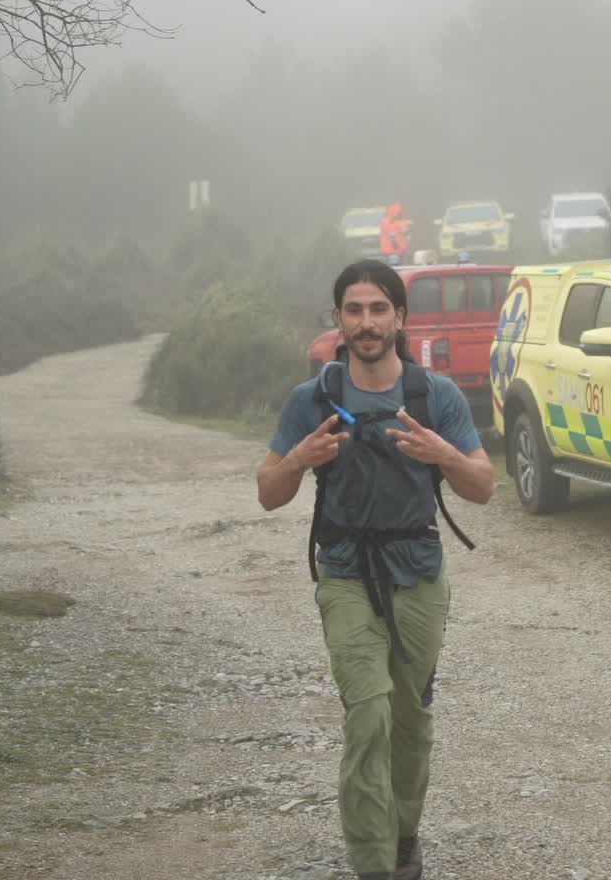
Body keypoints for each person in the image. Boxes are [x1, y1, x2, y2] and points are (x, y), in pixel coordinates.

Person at [256, 259, 495, 880]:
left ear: (399, 318)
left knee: (411, 721)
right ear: (338, 319)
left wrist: (443, 453)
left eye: (378, 309)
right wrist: (301, 458)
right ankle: (375, 864)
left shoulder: (433, 396)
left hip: (417, 571)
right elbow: (267, 491)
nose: (367, 322)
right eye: (354, 310)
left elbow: (484, 487)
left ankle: (403, 833)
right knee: (369, 711)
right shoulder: (312, 400)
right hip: (343, 573)